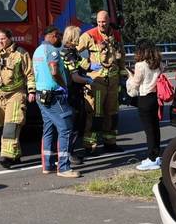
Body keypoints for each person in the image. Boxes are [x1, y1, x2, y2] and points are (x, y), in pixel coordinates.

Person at [0, 28, 36, 168]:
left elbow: (29, 74)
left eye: (3, 39)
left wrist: (31, 91)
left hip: (16, 94)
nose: (1, 42)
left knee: (11, 125)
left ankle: (6, 156)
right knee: (1, 127)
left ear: (10, 38)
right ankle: (15, 154)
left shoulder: (21, 54)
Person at [32, 27, 80, 178]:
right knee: (65, 128)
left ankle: (48, 164)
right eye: (58, 36)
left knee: (48, 129)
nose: (60, 39)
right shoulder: (52, 50)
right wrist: (63, 85)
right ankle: (64, 168)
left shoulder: (37, 51)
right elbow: (54, 70)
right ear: (53, 36)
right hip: (54, 95)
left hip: (41, 94)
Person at [76, 10, 125, 153]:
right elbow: (74, 53)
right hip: (96, 82)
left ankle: (110, 142)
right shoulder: (89, 35)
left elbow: (121, 55)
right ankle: (90, 145)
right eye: (99, 22)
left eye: (104, 22)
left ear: (109, 20)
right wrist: (88, 66)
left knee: (112, 112)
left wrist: (122, 73)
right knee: (95, 114)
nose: (101, 24)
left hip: (113, 81)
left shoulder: (116, 35)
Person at [125, 39, 163, 171]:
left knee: (149, 130)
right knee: (155, 128)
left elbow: (135, 84)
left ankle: (151, 158)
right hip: (155, 98)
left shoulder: (140, 65)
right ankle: (156, 155)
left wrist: (130, 76)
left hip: (145, 98)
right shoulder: (158, 63)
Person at [60, 25, 92, 166]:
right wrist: (88, 80)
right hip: (72, 92)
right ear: (73, 37)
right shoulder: (69, 53)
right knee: (72, 125)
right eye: (78, 35)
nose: (80, 38)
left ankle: (68, 153)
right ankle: (69, 154)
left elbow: (81, 65)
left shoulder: (67, 51)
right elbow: (75, 77)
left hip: (68, 91)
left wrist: (90, 67)